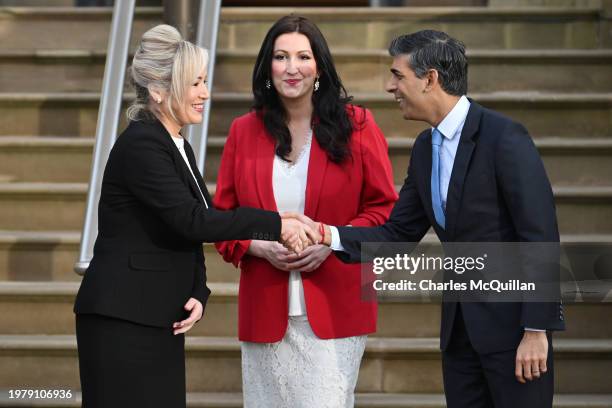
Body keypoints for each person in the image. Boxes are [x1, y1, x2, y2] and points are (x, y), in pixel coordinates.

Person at [301, 30, 565, 408]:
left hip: (514, 336)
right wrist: (328, 235)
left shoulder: (504, 138)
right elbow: (398, 233)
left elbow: (539, 235)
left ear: (430, 80)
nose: (390, 86)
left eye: (398, 75)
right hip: (459, 339)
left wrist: (536, 330)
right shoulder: (426, 148)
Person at [73, 24, 317, 408]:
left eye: (205, 82)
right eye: (195, 83)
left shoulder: (176, 143)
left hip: (155, 318)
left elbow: (195, 219)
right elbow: (193, 221)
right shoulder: (141, 145)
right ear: (158, 91)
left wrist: (197, 289)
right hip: (122, 322)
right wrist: (276, 224)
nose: (205, 93)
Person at [213, 15, 398, 408]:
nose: (292, 67)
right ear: (267, 67)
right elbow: (222, 219)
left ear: (319, 67)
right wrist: (258, 247)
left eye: (303, 56)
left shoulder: (359, 126)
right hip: (264, 308)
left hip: (338, 306)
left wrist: (331, 242)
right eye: (281, 57)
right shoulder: (243, 131)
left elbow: (383, 211)